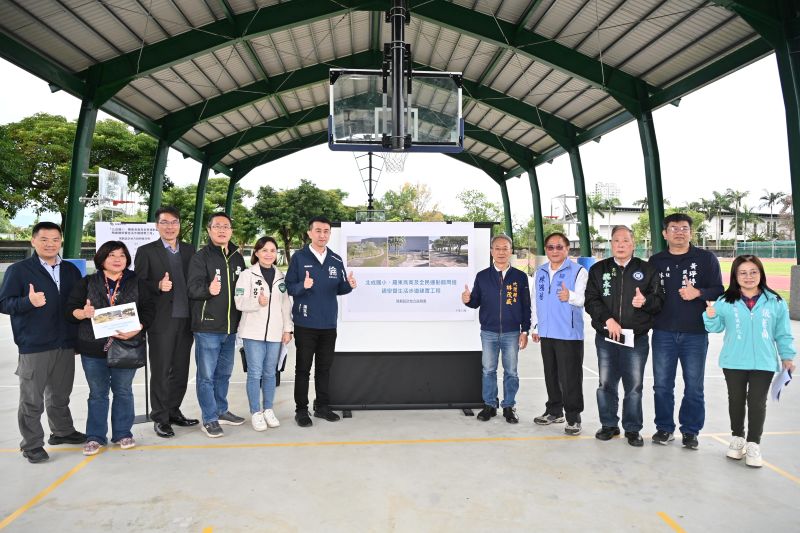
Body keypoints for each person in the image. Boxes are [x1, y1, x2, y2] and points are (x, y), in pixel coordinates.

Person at [0, 222, 85, 464]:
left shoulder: (70, 270)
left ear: (61, 241)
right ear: (33, 241)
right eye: (44, 239)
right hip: (34, 344)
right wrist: (28, 302)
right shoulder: (19, 270)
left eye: (55, 239)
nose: (50, 244)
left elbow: (76, 303)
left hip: (65, 343)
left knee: (60, 394)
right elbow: (4, 303)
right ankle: (32, 445)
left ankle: (62, 431)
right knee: (32, 399)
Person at [703, 255, 796, 468]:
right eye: (743, 273)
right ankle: (737, 438)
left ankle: (754, 443)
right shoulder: (725, 301)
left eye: (753, 272)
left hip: (764, 362)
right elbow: (715, 328)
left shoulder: (775, 302)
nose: (748, 277)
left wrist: (787, 356)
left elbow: (783, 333)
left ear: (761, 274)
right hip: (733, 361)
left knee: (756, 402)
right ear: (735, 276)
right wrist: (710, 315)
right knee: (735, 400)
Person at [66, 241, 155, 456]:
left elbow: (149, 310)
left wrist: (138, 328)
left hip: (126, 345)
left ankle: (123, 433)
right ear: (102, 259)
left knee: (123, 391)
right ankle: (95, 437)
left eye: (122, 255)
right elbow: (70, 310)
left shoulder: (137, 282)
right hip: (93, 347)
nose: (117, 259)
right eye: (112, 255)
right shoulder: (87, 282)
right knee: (97, 393)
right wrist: (83, 313)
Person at [649, 213, 723, 449]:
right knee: (662, 385)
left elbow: (719, 289)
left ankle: (690, 431)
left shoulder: (706, 259)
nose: (679, 232)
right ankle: (664, 428)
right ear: (665, 233)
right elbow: (649, 294)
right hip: (663, 332)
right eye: (674, 228)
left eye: (684, 228)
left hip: (695, 333)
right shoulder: (656, 261)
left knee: (694, 386)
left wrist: (698, 293)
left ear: (691, 232)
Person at [585, 225, 664, 446]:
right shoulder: (598, 269)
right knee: (606, 384)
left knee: (634, 386)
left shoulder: (647, 270)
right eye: (616, 241)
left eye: (626, 240)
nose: (621, 245)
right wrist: (607, 320)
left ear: (633, 244)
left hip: (636, 339)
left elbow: (659, 301)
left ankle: (632, 428)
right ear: (611, 244)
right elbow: (591, 300)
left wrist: (645, 301)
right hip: (607, 338)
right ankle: (609, 424)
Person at [134, 206, 198, 439]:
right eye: (164, 222)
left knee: (181, 370)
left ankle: (173, 411)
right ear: (157, 226)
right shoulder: (146, 251)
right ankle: (160, 417)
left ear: (179, 225)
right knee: (161, 371)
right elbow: (137, 285)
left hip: (187, 319)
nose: (170, 227)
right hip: (161, 321)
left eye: (174, 222)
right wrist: (157, 286)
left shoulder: (190, 250)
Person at [285, 216, 356, 427]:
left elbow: (339, 288)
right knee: (303, 369)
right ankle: (301, 410)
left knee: (324, 369)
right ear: (309, 233)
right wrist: (303, 286)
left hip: (328, 325)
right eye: (318, 231)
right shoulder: (299, 257)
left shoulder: (335, 259)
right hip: (305, 323)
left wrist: (349, 285)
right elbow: (289, 287)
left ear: (329, 234)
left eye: (326, 231)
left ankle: (322, 407)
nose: (322, 235)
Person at [187, 212, 247, 438]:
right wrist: (208, 290)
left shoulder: (237, 258)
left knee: (224, 374)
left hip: (231, 328)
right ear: (209, 230)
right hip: (208, 328)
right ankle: (209, 418)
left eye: (226, 226)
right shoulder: (200, 257)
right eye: (217, 226)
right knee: (206, 377)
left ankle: (221, 410)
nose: (222, 230)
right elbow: (192, 289)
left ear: (231, 231)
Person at [462, 234, 530, 423]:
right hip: (489, 332)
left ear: (511, 251)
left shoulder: (520, 277)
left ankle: (509, 406)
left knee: (511, 372)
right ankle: (490, 405)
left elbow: (526, 306)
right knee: (488, 370)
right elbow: (475, 302)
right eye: (497, 248)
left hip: (512, 332)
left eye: (505, 248)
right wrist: (467, 300)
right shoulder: (483, 276)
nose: (501, 252)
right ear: (491, 251)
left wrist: (525, 331)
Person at [234, 236, 293, 431]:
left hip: (275, 333)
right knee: (254, 373)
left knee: (270, 372)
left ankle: (268, 409)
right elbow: (239, 302)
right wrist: (256, 303)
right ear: (257, 253)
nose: (269, 254)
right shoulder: (247, 275)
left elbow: (285, 305)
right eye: (264, 250)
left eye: (272, 250)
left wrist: (287, 329)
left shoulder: (280, 276)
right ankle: (255, 412)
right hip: (253, 333)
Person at [530, 232, 587, 435]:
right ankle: (554, 411)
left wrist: (569, 295)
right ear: (546, 250)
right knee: (551, 374)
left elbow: (584, 299)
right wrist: (535, 327)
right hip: (546, 332)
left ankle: (573, 417)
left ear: (567, 249)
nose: (554, 251)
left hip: (568, 333)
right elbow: (535, 300)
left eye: (559, 247)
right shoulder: (540, 271)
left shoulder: (578, 271)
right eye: (550, 247)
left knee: (570, 377)